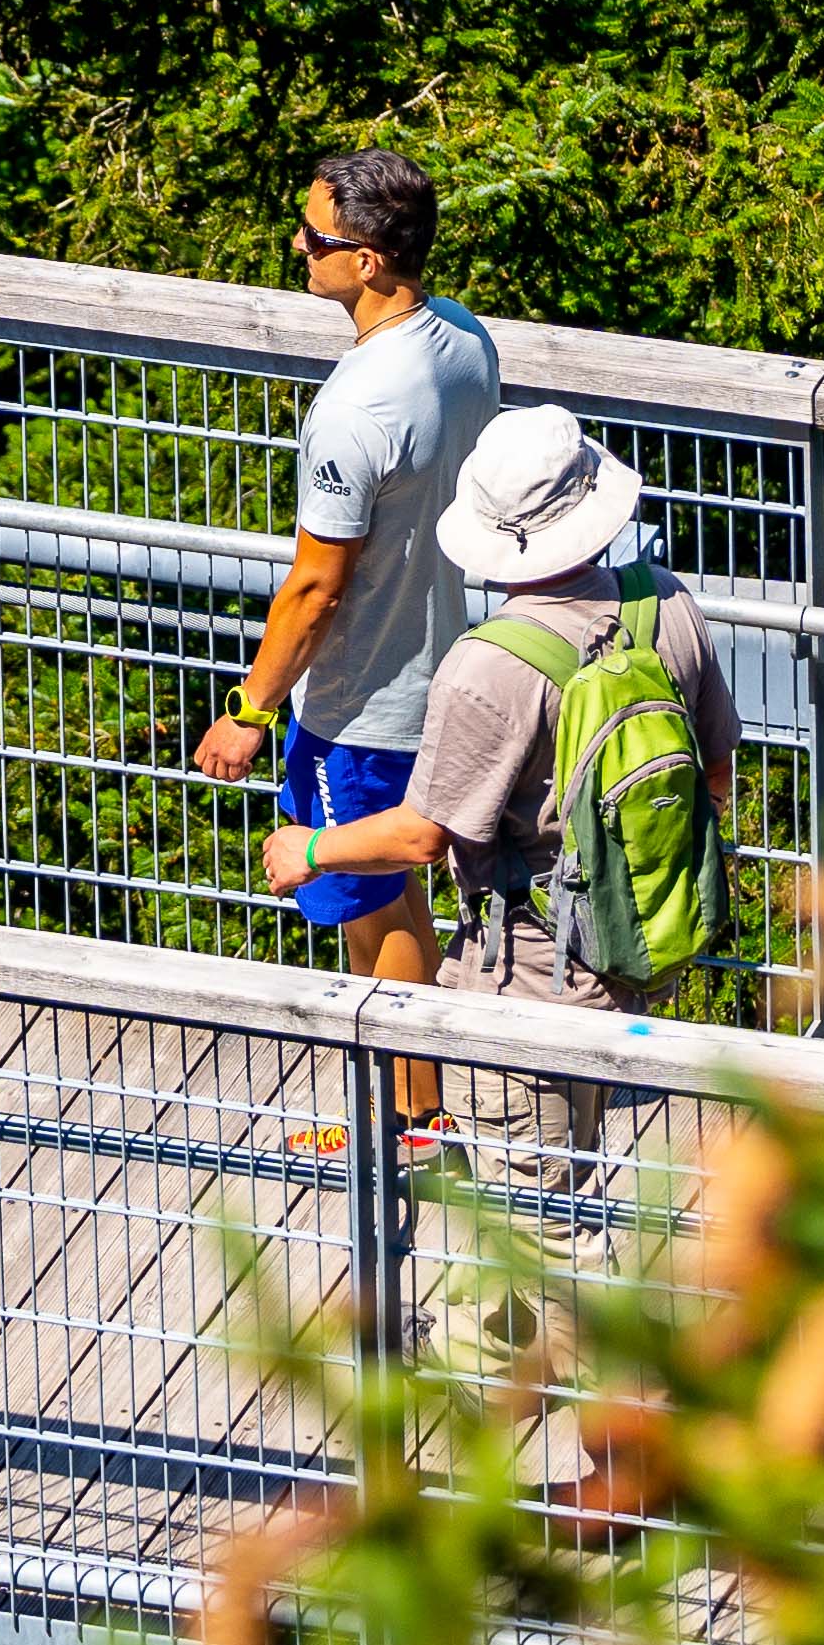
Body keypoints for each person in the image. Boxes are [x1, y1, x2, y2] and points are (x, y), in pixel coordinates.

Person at [268, 401, 728, 1175]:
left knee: (538, 1231)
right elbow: (714, 776)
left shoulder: (490, 665)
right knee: (563, 1193)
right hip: (645, 939)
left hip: (528, 976)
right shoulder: (665, 602)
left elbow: (423, 835)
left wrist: (311, 848)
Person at [194, 149, 501, 1154]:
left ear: (367, 261)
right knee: (389, 893)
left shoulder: (357, 408)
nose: (299, 249)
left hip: (363, 698)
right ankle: (408, 1113)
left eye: (316, 240)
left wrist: (249, 710)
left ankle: (411, 1121)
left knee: (376, 906)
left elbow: (317, 584)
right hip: (443, 663)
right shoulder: (461, 339)